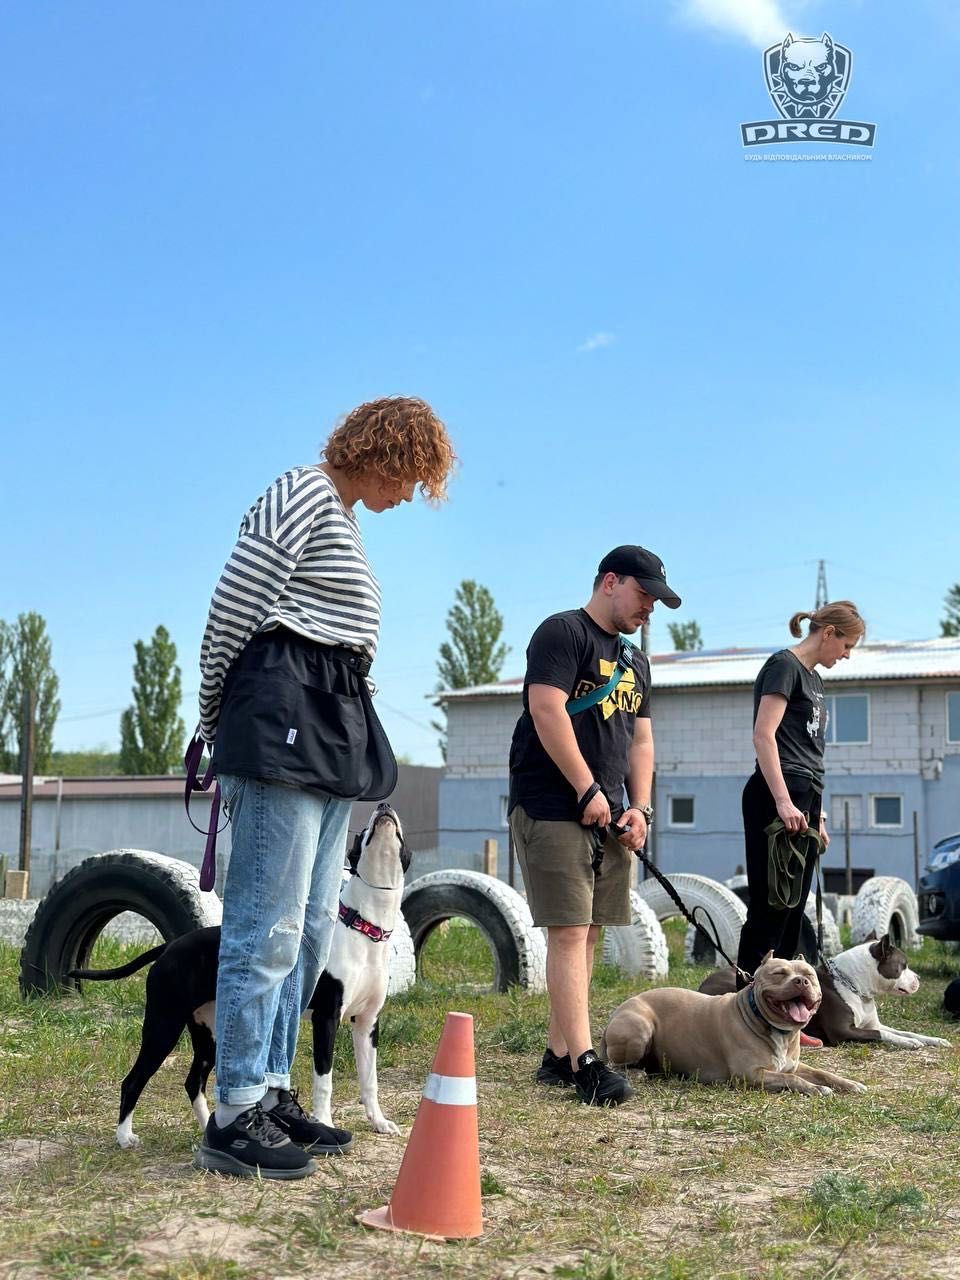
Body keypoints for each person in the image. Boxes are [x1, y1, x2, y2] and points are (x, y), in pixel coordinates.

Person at [193, 396, 455, 1179]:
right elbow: (232, 608)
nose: (410, 494)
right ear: (382, 453)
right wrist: (215, 715)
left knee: (310, 928)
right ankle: (234, 1109)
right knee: (266, 927)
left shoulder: (346, 519)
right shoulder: (301, 491)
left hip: (330, 727)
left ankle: (271, 1089)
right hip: (281, 719)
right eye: (410, 476)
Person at [508, 546, 682, 1106]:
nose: (650, 608)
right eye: (644, 594)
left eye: (657, 600)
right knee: (567, 929)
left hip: (612, 815)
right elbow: (546, 709)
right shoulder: (562, 633)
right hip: (553, 805)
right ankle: (586, 1063)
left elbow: (642, 738)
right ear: (611, 582)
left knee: (591, 930)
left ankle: (560, 1055)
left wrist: (642, 807)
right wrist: (586, 787)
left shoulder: (636, 662)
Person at [735, 601, 866, 1006]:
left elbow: (812, 753)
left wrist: (817, 814)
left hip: (806, 799)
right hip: (776, 796)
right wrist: (783, 801)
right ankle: (748, 1008)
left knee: (793, 910)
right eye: (846, 645)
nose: (847, 655)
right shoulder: (784, 667)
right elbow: (763, 735)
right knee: (769, 909)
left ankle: (787, 1010)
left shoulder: (814, 681)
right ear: (828, 633)